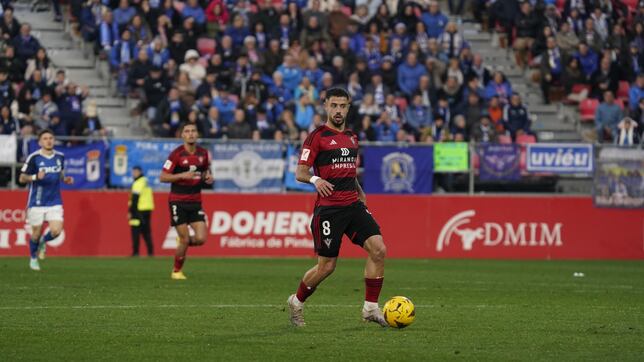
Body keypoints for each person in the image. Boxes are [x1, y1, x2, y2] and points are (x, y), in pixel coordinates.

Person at [287, 87, 388, 328]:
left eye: (343, 106)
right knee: (327, 267)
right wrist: (316, 180)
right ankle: (296, 301)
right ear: (326, 106)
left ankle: (370, 308)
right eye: (334, 105)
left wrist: (361, 193)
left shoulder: (352, 137)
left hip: (352, 204)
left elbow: (349, 171)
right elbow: (300, 172)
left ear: (348, 107)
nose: (338, 110)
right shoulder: (317, 137)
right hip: (329, 210)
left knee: (379, 249)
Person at [159, 123, 213, 280]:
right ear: (182, 135)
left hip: (196, 201)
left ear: (197, 134)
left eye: (193, 131)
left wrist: (207, 177)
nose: (190, 134)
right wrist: (182, 175)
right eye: (187, 131)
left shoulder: (203, 153)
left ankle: (183, 241)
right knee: (184, 239)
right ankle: (176, 271)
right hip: (177, 201)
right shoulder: (176, 154)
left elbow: (203, 172)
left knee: (201, 239)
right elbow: (163, 177)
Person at [19, 129, 74, 271]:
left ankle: (44, 242)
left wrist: (65, 179)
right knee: (35, 233)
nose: (48, 140)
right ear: (40, 142)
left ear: (54, 140)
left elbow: (60, 173)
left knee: (56, 231)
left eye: (51, 138)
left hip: (54, 201)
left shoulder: (60, 157)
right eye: (45, 138)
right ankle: (33, 258)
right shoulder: (34, 157)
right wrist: (35, 177)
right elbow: (21, 178)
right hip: (37, 201)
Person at [129, 166, 155, 257]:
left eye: (135, 172)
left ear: (140, 172)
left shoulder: (138, 183)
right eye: (133, 172)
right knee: (146, 232)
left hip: (139, 210)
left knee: (135, 231)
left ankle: (135, 252)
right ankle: (150, 253)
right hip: (147, 209)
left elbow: (135, 198)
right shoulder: (146, 181)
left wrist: (131, 211)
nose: (134, 173)